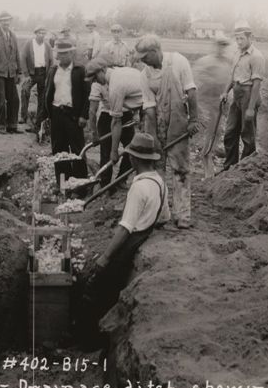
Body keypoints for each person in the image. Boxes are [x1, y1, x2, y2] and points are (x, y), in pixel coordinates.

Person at [75, 132, 170, 349]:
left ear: (135, 159)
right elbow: (165, 217)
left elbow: (125, 228)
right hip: (143, 236)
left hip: (130, 244)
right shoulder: (159, 182)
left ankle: (87, 343)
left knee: (95, 287)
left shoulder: (138, 187)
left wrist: (105, 258)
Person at [135, 35, 201, 229]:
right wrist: (152, 135)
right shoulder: (144, 75)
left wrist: (194, 119)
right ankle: (161, 214)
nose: (143, 61)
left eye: (145, 57)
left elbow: (191, 92)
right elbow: (149, 108)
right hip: (158, 121)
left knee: (181, 169)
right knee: (158, 170)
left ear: (155, 52)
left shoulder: (179, 61)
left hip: (178, 121)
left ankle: (183, 216)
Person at [84, 58, 157, 186]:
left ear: (102, 70)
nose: (96, 82)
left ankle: (124, 182)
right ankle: (105, 185)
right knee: (107, 153)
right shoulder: (121, 72)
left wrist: (114, 151)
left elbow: (116, 121)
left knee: (137, 149)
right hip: (147, 107)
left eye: (95, 78)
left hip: (153, 109)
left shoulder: (115, 85)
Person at [220, 20, 266, 169]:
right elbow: (232, 76)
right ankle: (229, 166)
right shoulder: (237, 54)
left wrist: (251, 108)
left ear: (250, 37)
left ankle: (246, 168)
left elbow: (257, 84)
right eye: (237, 38)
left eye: (242, 38)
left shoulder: (256, 57)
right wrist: (225, 92)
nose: (239, 42)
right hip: (237, 94)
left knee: (247, 134)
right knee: (230, 132)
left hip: (249, 94)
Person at [42, 40, 89, 154]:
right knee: (58, 149)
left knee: (77, 149)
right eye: (60, 53)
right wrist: (46, 115)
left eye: (65, 53)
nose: (61, 56)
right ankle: (62, 172)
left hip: (73, 115)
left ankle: (79, 172)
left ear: (71, 54)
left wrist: (83, 115)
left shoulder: (80, 70)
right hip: (56, 112)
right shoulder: (53, 70)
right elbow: (46, 93)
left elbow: (87, 94)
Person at [20, 25, 53, 131]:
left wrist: (49, 75)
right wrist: (26, 75)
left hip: (43, 73)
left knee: (42, 97)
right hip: (32, 73)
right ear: (36, 33)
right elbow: (23, 57)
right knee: (25, 90)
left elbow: (51, 60)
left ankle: (39, 121)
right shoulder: (29, 43)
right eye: (40, 33)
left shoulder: (47, 45)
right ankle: (23, 116)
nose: (42, 35)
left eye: (44, 33)